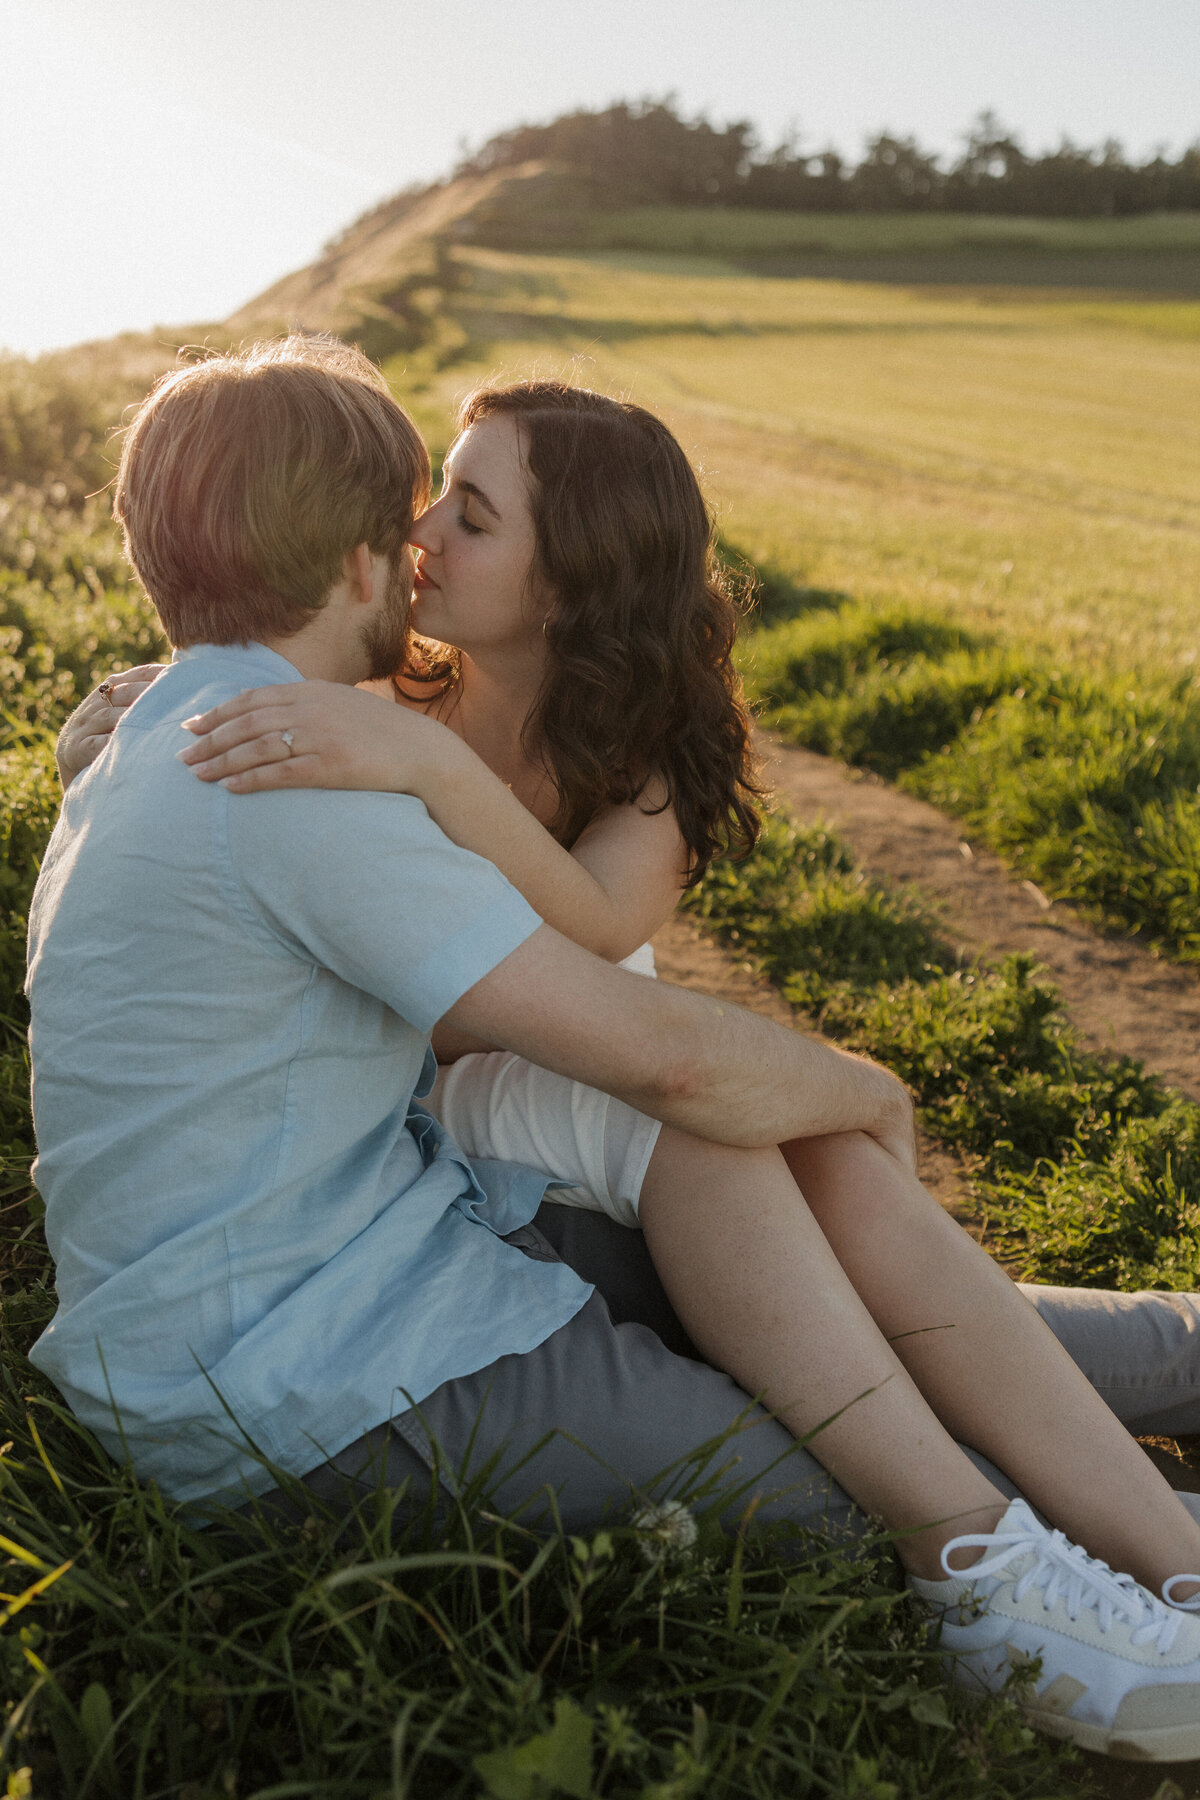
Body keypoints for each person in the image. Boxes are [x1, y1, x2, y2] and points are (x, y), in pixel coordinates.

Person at [35, 339, 1200, 1763]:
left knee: (833, 1273)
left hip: (450, 1190)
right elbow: (669, 1060)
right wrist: (865, 1094)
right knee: (855, 1423)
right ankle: (1027, 1562)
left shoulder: (276, 734)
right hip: (330, 1331)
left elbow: (619, 984)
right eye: (417, 512)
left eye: (463, 515)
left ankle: (1059, 1546)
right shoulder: (303, 759)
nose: (422, 546)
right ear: (350, 566)